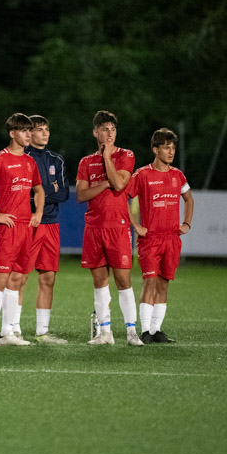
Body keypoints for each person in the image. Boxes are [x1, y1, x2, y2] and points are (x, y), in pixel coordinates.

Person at [0, 113, 44, 347]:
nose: (28, 135)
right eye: (24, 130)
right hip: (6, 228)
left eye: (30, 130)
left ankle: (8, 332)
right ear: (12, 133)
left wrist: (38, 213)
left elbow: (39, 190)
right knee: (1, 279)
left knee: (18, 279)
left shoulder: (30, 162)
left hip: (25, 227)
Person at [76, 110, 143, 346]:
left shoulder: (126, 155)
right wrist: (104, 183)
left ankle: (131, 332)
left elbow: (120, 183)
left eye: (113, 129)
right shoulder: (85, 162)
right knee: (99, 281)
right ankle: (105, 332)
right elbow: (81, 195)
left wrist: (106, 158)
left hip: (118, 227)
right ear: (95, 132)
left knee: (123, 280)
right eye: (105, 129)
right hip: (94, 228)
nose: (110, 133)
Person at [126, 128, 194, 344]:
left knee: (164, 283)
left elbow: (189, 199)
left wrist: (186, 223)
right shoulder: (142, 174)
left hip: (172, 239)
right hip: (151, 239)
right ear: (155, 150)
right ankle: (145, 330)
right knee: (150, 282)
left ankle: (156, 330)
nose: (171, 152)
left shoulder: (177, 175)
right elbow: (123, 198)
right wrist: (136, 226)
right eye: (166, 147)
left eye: (173, 148)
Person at [20, 115, 69, 344]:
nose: (45, 133)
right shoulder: (23, 158)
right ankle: (12, 329)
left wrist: (40, 191)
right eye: (40, 129)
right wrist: (49, 189)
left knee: (48, 277)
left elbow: (64, 193)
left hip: (51, 224)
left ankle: (42, 333)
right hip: (28, 222)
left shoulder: (56, 160)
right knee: (19, 277)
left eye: (47, 129)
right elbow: (24, 194)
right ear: (29, 133)